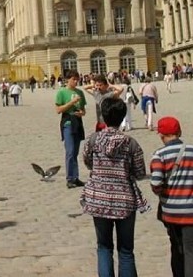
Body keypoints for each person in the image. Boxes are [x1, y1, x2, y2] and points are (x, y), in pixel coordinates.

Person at [81, 97, 148, 277]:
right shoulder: (131, 143)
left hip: (98, 198)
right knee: (126, 250)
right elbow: (141, 172)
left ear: (103, 116)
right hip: (125, 200)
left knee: (103, 247)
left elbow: (88, 163)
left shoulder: (93, 141)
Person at [150, 117, 193, 277]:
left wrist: (161, 192)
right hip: (192, 211)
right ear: (179, 132)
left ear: (161, 135)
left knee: (176, 248)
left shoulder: (159, 155)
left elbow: (156, 183)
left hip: (170, 212)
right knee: (192, 251)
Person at [55, 69, 86, 189]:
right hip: (67, 122)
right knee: (70, 151)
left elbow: (83, 111)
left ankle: (75, 177)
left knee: (76, 152)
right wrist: (71, 102)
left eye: (77, 79)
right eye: (74, 79)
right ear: (68, 80)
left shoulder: (80, 92)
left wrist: (81, 113)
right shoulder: (62, 92)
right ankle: (69, 178)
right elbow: (58, 110)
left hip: (78, 122)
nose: (76, 81)